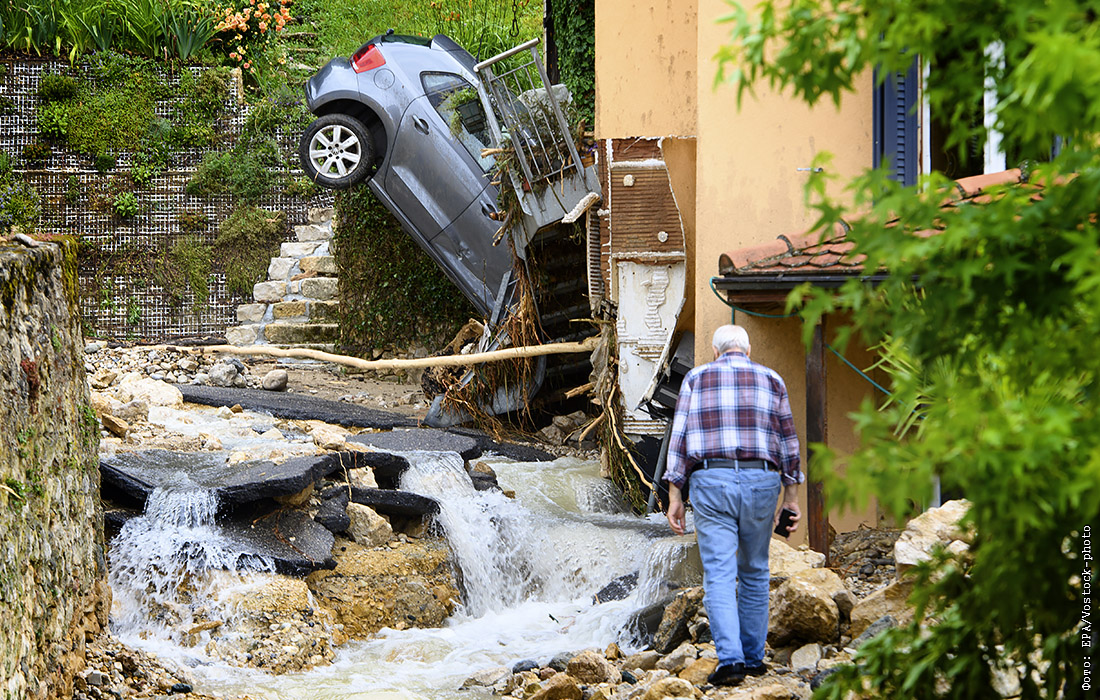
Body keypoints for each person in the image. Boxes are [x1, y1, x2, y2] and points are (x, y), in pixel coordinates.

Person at [663, 324, 803, 686]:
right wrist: (791, 498)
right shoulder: (772, 379)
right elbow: (788, 441)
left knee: (719, 573)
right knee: (755, 570)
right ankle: (754, 658)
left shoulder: (696, 378)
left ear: (715, 351)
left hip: (712, 481)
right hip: (761, 481)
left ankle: (731, 661)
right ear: (748, 350)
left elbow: (679, 438)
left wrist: (675, 495)